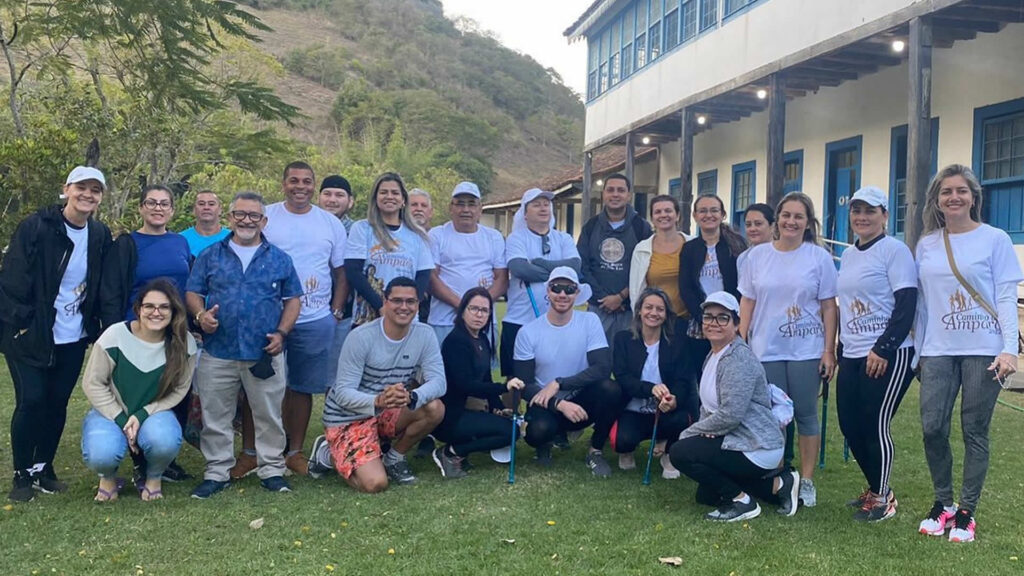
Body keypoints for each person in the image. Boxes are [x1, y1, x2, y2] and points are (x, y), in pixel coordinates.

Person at [913, 164, 1022, 543]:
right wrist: (918, 351)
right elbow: (922, 303)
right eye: (946, 191)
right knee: (932, 428)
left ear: (974, 197)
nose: (954, 197)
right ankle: (943, 503)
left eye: (961, 190)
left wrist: (1009, 349)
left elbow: (1005, 297)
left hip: (984, 350)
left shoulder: (995, 239)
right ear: (937, 200)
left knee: (974, 430)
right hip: (937, 349)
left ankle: (966, 511)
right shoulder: (927, 243)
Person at [1, 166, 112, 502]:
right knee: (32, 400)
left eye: (95, 189)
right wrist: (22, 322)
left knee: (57, 403)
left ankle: (43, 468)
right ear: (67, 189)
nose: (87, 194)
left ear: (100, 197)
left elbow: (99, 283)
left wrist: (97, 325)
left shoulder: (99, 234)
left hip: (73, 336)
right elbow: (12, 278)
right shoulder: (37, 226)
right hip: (31, 333)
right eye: (81, 187)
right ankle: (22, 474)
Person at [185, 192, 303, 499]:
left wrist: (282, 333)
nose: (247, 220)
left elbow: (293, 300)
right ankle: (217, 471)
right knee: (215, 415)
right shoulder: (210, 255)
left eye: (254, 216)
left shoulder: (279, 259)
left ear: (264, 221)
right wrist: (200, 316)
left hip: (263, 351)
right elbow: (193, 292)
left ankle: (272, 470)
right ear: (230, 218)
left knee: (269, 414)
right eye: (240, 214)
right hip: (218, 349)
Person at [738, 191, 837, 508]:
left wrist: (829, 350)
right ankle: (779, 477)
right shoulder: (757, 256)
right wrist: (740, 339)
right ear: (777, 219)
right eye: (786, 215)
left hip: (805, 349)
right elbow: (748, 301)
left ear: (808, 223)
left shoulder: (818, 257)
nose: (791, 221)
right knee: (772, 418)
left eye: (798, 216)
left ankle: (806, 481)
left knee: (806, 415)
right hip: (766, 348)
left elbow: (829, 306)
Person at [670, 292, 800, 522]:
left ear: (737, 324)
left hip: (756, 444)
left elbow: (731, 415)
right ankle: (779, 485)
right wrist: (704, 433)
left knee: (680, 452)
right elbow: (709, 408)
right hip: (734, 437)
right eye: (708, 317)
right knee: (707, 495)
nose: (713, 323)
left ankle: (742, 502)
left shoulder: (738, 359)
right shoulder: (713, 355)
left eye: (723, 317)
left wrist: (691, 434)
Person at [308, 277, 446, 492]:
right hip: (348, 416)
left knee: (434, 408)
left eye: (410, 301)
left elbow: (439, 382)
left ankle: (394, 457)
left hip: (387, 409)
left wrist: (412, 396)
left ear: (418, 304)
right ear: (385, 301)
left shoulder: (424, 334)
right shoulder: (360, 337)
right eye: (397, 300)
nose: (404, 307)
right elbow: (342, 393)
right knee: (375, 484)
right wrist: (378, 400)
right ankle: (328, 453)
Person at [260, 161, 348, 476]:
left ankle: (294, 451)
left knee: (302, 386)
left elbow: (341, 273)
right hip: (269, 317)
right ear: (283, 183)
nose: (300, 186)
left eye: (307, 181)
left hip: (315, 318)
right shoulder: (266, 216)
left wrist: (335, 312)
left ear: (314, 185)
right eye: (294, 180)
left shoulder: (330, 223)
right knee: (262, 385)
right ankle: (258, 451)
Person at [836, 186, 917, 522]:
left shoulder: (894, 251)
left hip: (889, 353)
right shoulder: (849, 255)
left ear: (885, 215)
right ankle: (875, 487)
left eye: (870, 211)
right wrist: (841, 348)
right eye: (856, 210)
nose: (862, 217)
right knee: (850, 424)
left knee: (875, 422)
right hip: (852, 352)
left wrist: (883, 347)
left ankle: (883, 498)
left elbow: (906, 304)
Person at [81, 280, 197, 502]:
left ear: (174, 311)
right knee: (101, 454)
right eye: (149, 306)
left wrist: (143, 414)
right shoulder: (115, 335)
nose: (156, 312)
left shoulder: (184, 343)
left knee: (164, 441)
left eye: (164, 307)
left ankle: (153, 477)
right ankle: (108, 478)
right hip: (111, 411)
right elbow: (93, 383)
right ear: (138, 309)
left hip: (153, 412)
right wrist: (122, 419)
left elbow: (180, 389)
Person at [514, 267, 622, 476]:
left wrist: (560, 383)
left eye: (569, 289)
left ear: (577, 293)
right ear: (548, 291)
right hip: (546, 403)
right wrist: (559, 404)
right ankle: (546, 442)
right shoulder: (528, 332)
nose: (562, 294)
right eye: (557, 288)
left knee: (611, 389)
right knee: (537, 432)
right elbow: (524, 385)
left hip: (581, 400)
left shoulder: (590, 321)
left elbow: (602, 368)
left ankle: (595, 450)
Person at [432, 288, 524, 478]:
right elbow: (465, 385)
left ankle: (460, 449)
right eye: (473, 309)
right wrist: (503, 387)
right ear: (462, 311)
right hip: (452, 415)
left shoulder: (481, 338)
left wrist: (499, 408)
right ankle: (451, 452)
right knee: (511, 432)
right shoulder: (456, 342)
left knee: (511, 424)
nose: (479, 315)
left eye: (484, 310)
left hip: (471, 411)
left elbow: (485, 379)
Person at [611, 288, 696, 479]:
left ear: (666, 315)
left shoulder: (677, 342)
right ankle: (627, 450)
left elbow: (683, 379)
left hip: (664, 409)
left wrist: (673, 399)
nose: (654, 313)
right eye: (648, 307)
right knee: (622, 440)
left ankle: (669, 453)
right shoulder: (623, 339)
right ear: (639, 311)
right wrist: (650, 389)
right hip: (633, 410)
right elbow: (622, 377)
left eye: (660, 309)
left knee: (681, 420)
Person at [502, 188, 581, 381]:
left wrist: (540, 263)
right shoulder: (516, 238)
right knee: (515, 379)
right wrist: (559, 274)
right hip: (519, 319)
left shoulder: (563, 238)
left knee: (553, 375)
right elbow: (520, 268)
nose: (543, 208)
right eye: (536, 205)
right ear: (525, 213)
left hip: (555, 323)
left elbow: (575, 266)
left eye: (546, 204)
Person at [345, 173, 433, 328]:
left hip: (405, 317)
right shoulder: (362, 229)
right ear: (375, 198)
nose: (389, 196)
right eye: (384, 192)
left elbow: (423, 276)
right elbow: (353, 272)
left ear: (403, 199)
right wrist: (381, 306)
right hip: (368, 317)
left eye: (395, 193)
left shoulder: (417, 235)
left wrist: (408, 305)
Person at [578, 173, 652, 350]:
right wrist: (603, 298)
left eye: (621, 190)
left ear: (629, 195)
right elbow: (583, 266)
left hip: (630, 309)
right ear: (603, 194)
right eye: (610, 190)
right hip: (598, 308)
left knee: (628, 359)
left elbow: (647, 268)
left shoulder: (641, 227)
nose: (615, 194)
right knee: (595, 357)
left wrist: (620, 297)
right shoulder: (591, 226)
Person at [428, 181, 508, 344]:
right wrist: (463, 306)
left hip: (483, 322)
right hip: (444, 321)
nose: (466, 210)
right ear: (451, 208)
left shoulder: (494, 237)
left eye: (472, 204)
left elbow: (502, 279)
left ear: (480, 209)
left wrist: (478, 307)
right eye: (460, 204)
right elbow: (431, 278)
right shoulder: (437, 235)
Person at [678, 194, 747, 379]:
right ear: (695, 216)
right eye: (703, 211)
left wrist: (731, 315)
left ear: (722, 214)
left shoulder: (736, 245)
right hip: (701, 321)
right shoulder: (689, 249)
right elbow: (685, 288)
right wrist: (703, 317)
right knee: (704, 375)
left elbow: (743, 284)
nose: (708, 215)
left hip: (731, 320)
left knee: (732, 374)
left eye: (714, 210)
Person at [318, 175, 355, 393]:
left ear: (350, 201)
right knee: (292, 378)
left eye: (339, 195)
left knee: (337, 379)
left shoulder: (358, 231)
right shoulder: (309, 225)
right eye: (327, 194)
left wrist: (337, 310)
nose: (332, 200)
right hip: (304, 312)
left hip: (344, 314)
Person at [408, 188, 434, 323]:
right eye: (414, 205)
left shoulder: (437, 238)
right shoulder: (398, 237)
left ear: (430, 212)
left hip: (433, 305)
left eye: (423, 205)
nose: (419, 209)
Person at [179, 190, 229, 258]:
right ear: (194, 210)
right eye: (201, 204)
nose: (206, 208)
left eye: (211, 204)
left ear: (220, 210)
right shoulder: (181, 240)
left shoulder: (233, 239)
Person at [736, 203, 775, 274]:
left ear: (772, 226)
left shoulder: (782, 255)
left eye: (758, 224)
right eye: (748, 225)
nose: (752, 229)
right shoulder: (743, 258)